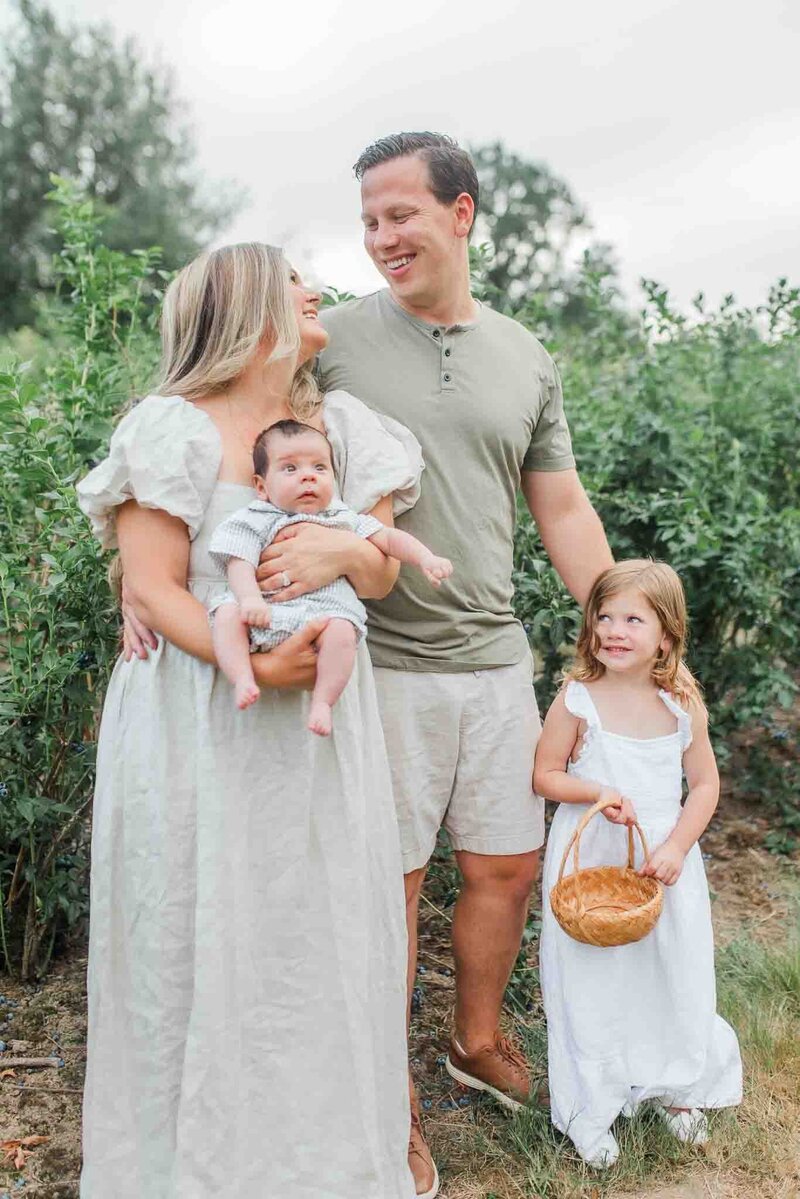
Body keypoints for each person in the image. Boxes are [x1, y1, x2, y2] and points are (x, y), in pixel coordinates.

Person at [122, 133, 614, 1198]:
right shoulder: (326, 340)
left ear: (462, 212)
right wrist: (144, 579)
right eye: (367, 221)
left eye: (400, 215)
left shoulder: (523, 353)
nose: (380, 238)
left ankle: (473, 1044)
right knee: (373, 891)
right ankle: (382, 1111)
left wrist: (621, 623)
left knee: (503, 864)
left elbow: (560, 505)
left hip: (489, 650)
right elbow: (206, 431)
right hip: (366, 664)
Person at [76, 243, 422, 1198]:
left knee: (309, 935)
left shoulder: (338, 429)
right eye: (296, 282)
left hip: (314, 729)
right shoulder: (171, 429)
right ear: (249, 310)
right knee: (190, 927)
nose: (318, 293)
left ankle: (317, 1168)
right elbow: (151, 582)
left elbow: (384, 571)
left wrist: (334, 559)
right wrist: (260, 666)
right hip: (198, 718)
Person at [533, 560, 742, 1169]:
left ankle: (675, 1087)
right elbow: (545, 774)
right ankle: (590, 1104)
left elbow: (704, 785)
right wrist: (594, 791)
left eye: (632, 619)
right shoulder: (578, 700)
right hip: (592, 857)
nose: (614, 630)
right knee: (593, 979)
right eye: (604, 617)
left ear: (666, 636)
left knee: (670, 969)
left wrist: (676, 845)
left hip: (662, 859)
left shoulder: (680, 705)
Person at [209, 418, 452, 729]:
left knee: (344, 633)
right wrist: (249, 599)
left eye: (319, 468)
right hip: (263, 613)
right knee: (226, 614)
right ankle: (242, 677)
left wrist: (425, 557)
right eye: (290, 469)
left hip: (322, 617)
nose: (308, 476)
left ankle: (323, 702)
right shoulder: (255, 518)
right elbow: (238, 560)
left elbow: (388, 539)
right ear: (261, 486)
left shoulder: (341, 517)